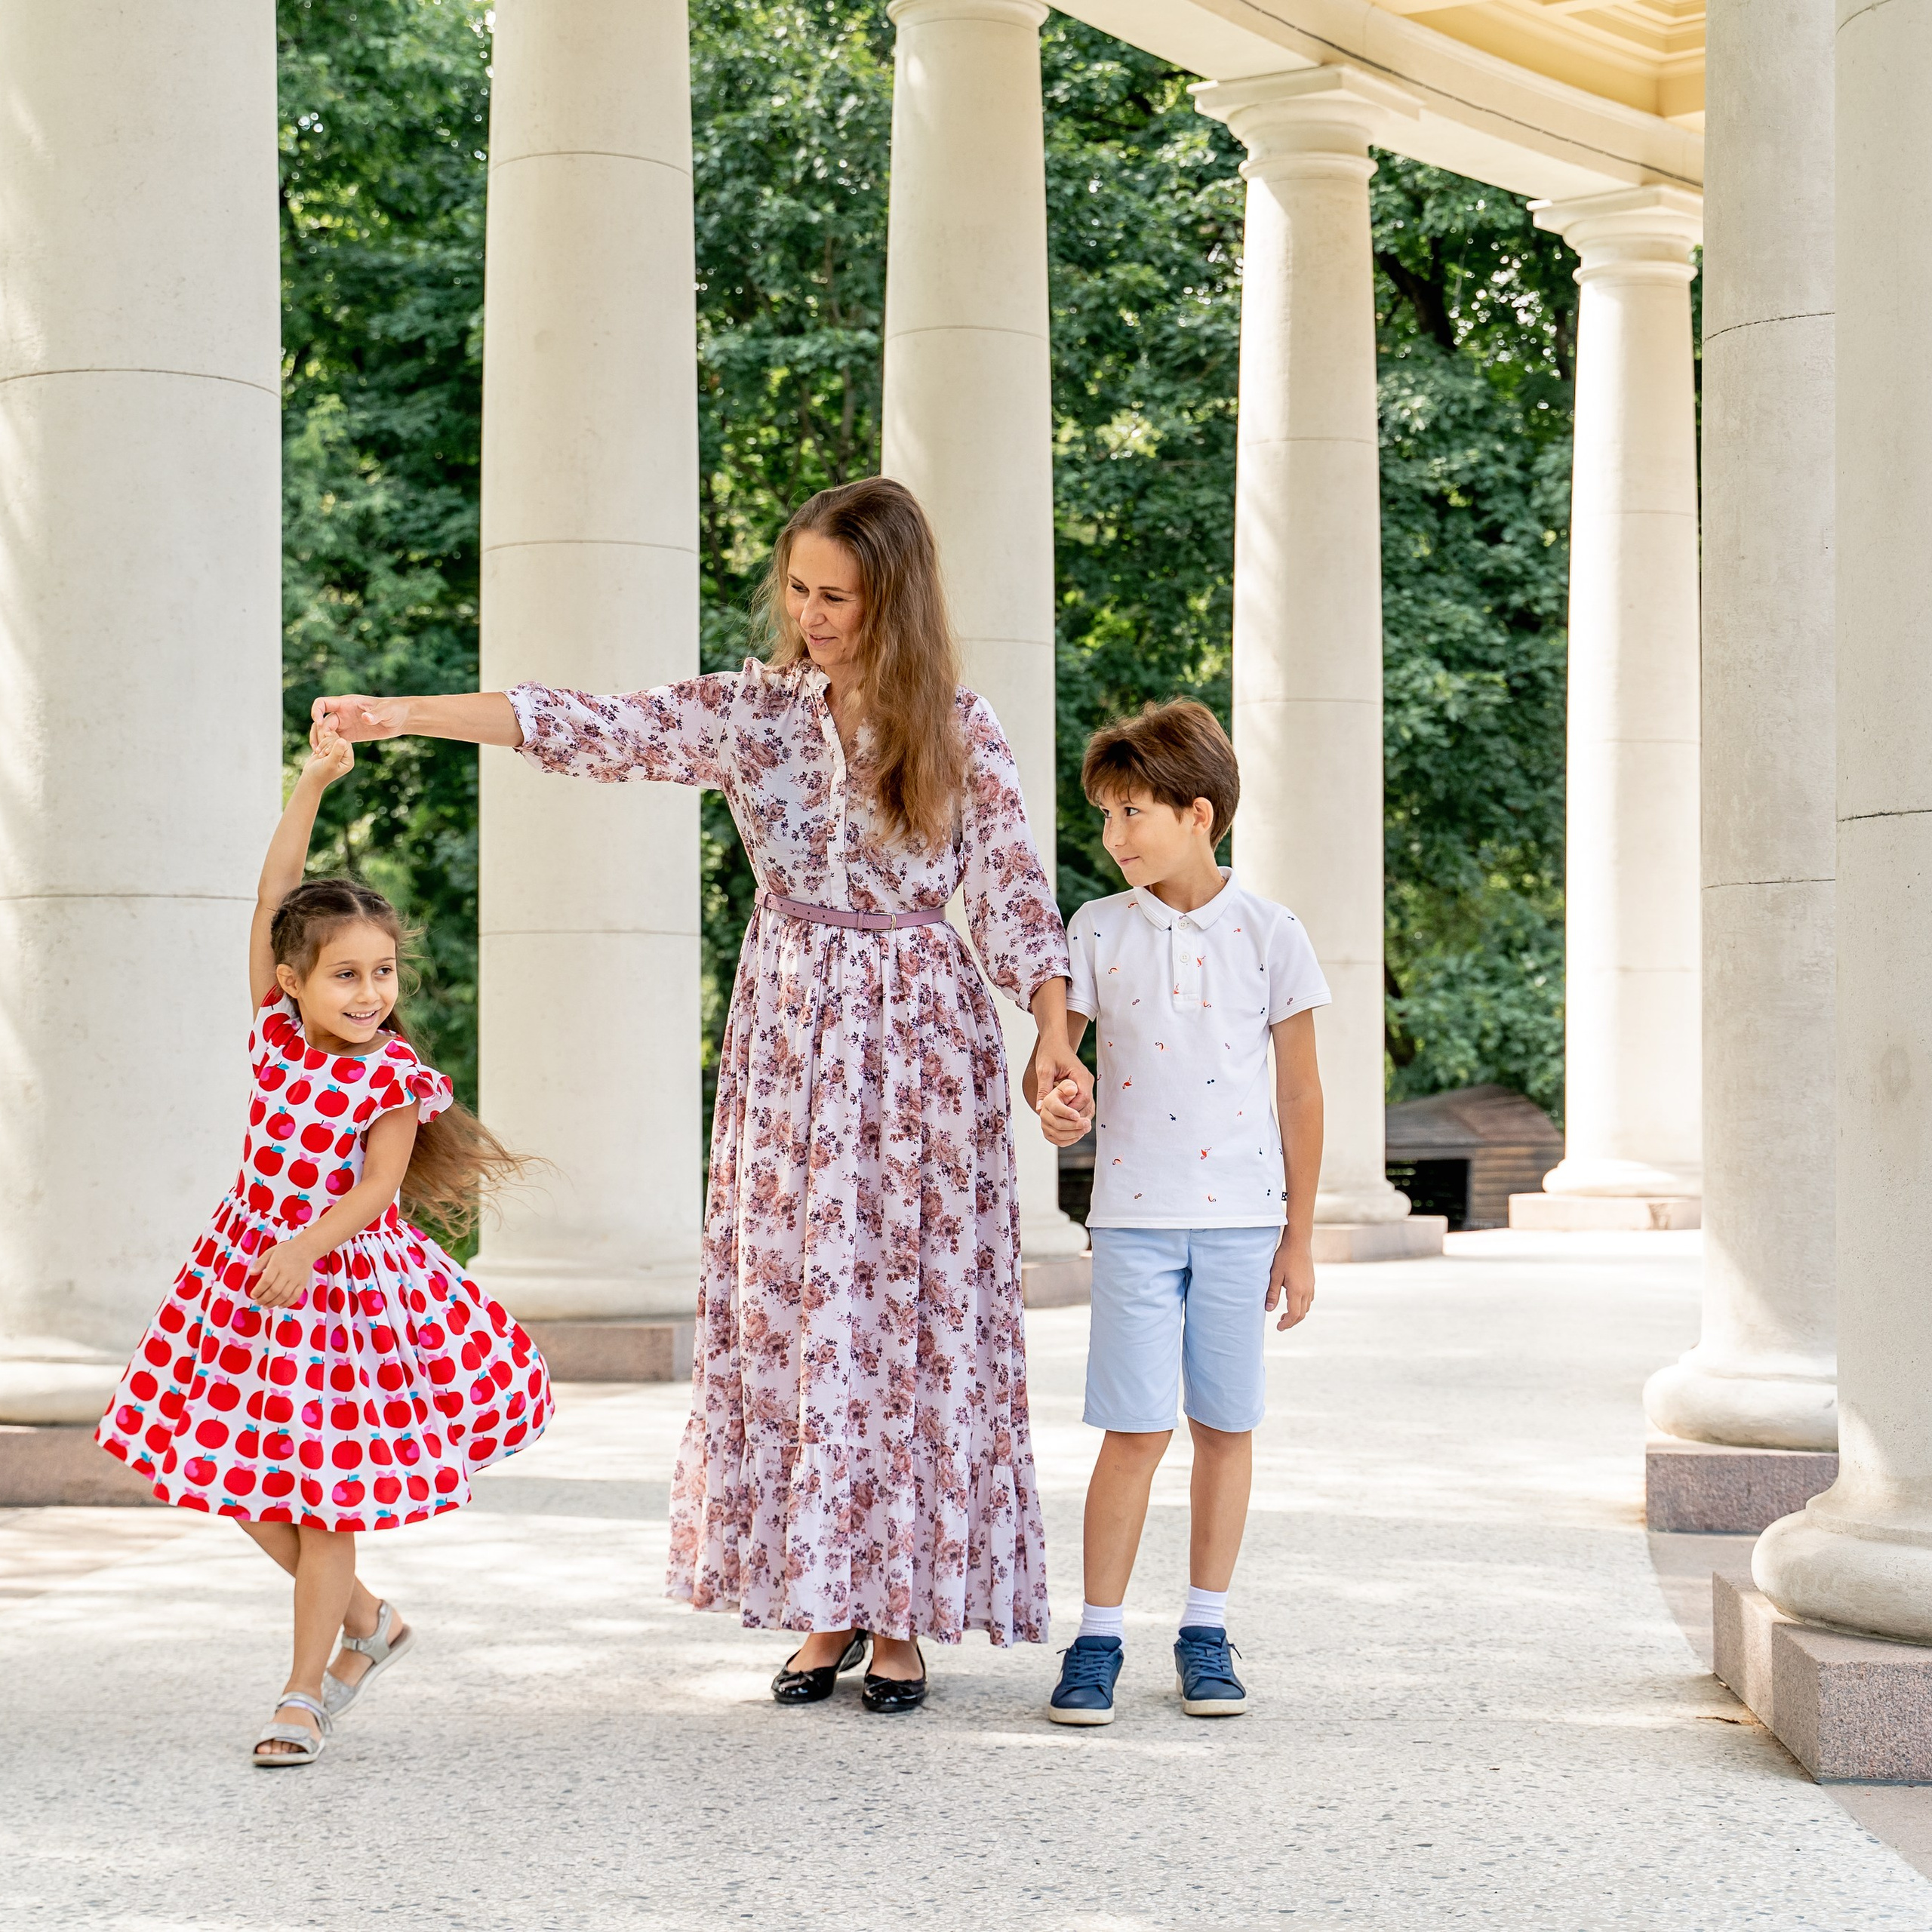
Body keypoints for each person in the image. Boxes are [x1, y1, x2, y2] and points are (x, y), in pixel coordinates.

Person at [312, 475, 1091, 1712]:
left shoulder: (956, 722)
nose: (813, 613)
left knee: (907, 1319)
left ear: (893, 598)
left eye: (838, 594)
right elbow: (590, 724)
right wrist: (407, 713)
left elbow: (1011, 896)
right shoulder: (753, 712)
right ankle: (821, 1605)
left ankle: (900, 1618)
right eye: (798, 588)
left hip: (924, 1056)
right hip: (789, 1040)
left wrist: (1056, 1039)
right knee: (800, 1308)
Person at [94, 724, 553, 1765]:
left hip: (341, 1287)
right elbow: (271, 904)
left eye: (382, 972)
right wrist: (311, 784)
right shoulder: (271, 1028)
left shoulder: (390, 1074)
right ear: (295, 981)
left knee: (321, 1489)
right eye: (345, 975)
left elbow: (381, 1187)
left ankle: (300, 1696)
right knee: (212, 1467)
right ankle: (373, 1623)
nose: (369, 993)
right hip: (243, 1273)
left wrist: (306, 1246)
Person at [1031, 700, 1327, 1725]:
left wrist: (1300, 1238)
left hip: (1244, 1223)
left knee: (1226, 1426)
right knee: (1132, 1428)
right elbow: (1054, 1066)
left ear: (1199, 814)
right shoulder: (1097, 931)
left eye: (1131, 813)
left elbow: (1301, 1094)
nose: (1114, 838)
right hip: (1134, 1221)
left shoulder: (1270, 934)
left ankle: (1206, 1630)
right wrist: (1056, 1098)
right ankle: (1097, 1637)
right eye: (1105, 817)